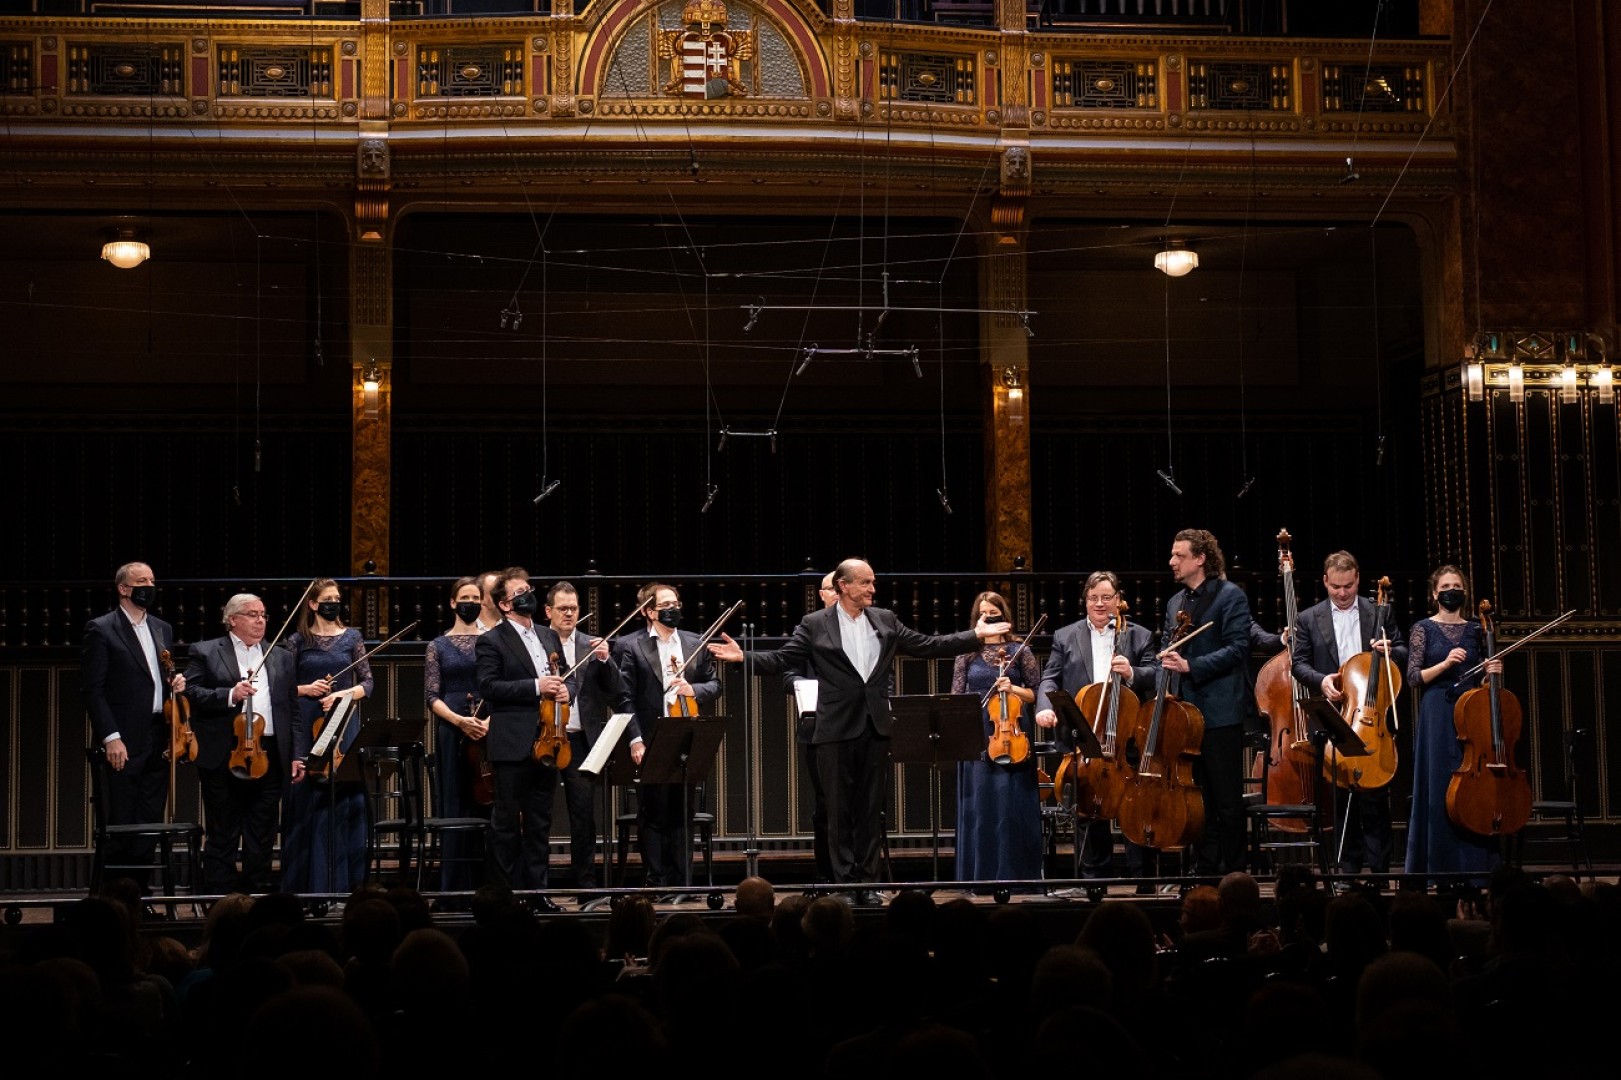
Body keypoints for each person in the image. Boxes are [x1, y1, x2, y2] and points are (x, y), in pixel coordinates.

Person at [709, 558, 1009, 904]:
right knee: (838, 812)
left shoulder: (885, 619)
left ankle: (868, 884)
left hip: (875, 726)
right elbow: (782, 659)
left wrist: (975, 635)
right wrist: (743, 657)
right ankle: (845, 885)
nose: (872, 589)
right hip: (834, 728)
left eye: (872, 582)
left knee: (869, 811)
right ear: (844, 586)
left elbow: (928, 645)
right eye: (865, 582)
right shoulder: (815, 624)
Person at [1033, 571, 1158, 888]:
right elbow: (1050, 678)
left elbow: (1156, 674)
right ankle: (1094, 882)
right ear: (1085, 600)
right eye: (1093, 598)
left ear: (1118, 600)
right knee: (1089, 809)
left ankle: (1143, 881)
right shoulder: (1065, 636)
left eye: (1106, 597)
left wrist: (1132, 672)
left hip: (1127, 735)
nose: (1100, 603)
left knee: (1134, 808)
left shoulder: (1139, 635)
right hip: (1084, 734)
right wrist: (1045, 706)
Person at [1289, 550, 1407, 881]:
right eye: (1336, 587)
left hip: (1371, 715)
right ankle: (1348, 872)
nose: (1342, 593)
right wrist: (1321, 681)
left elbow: (1402, 649)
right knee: (1340, 798)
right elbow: (1299, 664)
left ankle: (1380, 873)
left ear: (1358, 580)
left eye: (1349, 586)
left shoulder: (1378, 611)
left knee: (1375, 799)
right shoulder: (1309, 618)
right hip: (1334, 715)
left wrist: (1389, 651)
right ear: (1325, 581)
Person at [611, 581, 721, 894]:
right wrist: (635, 739)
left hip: (688, 737)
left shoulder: (694, 642)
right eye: (666, 605)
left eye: (676, 604)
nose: (674, 609)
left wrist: (692, 689)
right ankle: (656, 880)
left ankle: (683, 882)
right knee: (654, 811)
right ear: (648, 611)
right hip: (651, 737)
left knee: (683, 812)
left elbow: (715, 685)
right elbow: (624, 698)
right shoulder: (629, 646)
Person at [183, 593, 297, 892]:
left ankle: (256, 892)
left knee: (262, 830)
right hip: (223, 753)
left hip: (269, 754)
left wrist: (297, 754)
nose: (260, 621)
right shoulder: (206, 651)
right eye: (252, 614)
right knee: (223, 830)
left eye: (263, 615)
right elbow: (190, 692)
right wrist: (229, 695)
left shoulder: (281, 656)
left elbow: (291, 709)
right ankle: (220, 898)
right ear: (232, 619)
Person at [81, 561, 185, 878]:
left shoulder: (162, 628)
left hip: (158, 735)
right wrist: (111, 737)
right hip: (124, 739)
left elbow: (159, 676)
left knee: (149, 818)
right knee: (122, 819)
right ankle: (117, 893)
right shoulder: (102, 628)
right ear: (124, 589)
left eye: (152, 581)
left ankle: (141, 891)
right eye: (142, 581)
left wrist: (175, 682)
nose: (149, 587)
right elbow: (93, 689)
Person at [1160, 529, 1254, 876]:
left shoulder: (1229, 596)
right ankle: (1206, 871)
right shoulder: (1175, 603)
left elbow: (1237, 648)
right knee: (1198, 799)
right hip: (1184, 715)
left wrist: (1191, 665)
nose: (1172, 561)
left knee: (1226, 800)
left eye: (1179, 555)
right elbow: (1168, 648)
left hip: (1219, 712)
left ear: (1200, 559)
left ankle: (1236, 873)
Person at [1403, 565, 1502, 881]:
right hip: (1437, 711)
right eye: (1445, 586)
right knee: (1439, 785)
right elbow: (1413, 677)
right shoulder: (1423, 628)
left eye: (1456, 586)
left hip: (1471, 712)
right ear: (1435, 593)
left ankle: (1474, 866)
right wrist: (1445, 664)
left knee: (1472, 787)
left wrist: (1491, 673)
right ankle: (1439, 866)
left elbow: (1483, 678)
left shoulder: (1476, 629)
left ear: (1465, 591)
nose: (1451, 591)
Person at [474, 567, 565, 910]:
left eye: (529, 589)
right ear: (504, 605)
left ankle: (538, 894)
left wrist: (565, 691)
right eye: (519, 593)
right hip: (512, 743)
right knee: (507, 824)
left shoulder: (548, 635)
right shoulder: (491, 640)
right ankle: (504, 899)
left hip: (549, 739)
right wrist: (536, 686)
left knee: (540, 823)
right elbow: (489, 687)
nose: (528, 595)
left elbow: (562, 677)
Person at [280, 578, 372, 895]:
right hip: (308, 722)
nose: (334, 603)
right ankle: (310, 886)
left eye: (337, 598)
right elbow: (282, 688)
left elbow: (368, 684)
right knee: (311, 799)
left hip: (343, 720)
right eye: (328, 599)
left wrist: (341, 694)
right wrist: (306, 689)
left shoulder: (352, 638)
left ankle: (346, 885)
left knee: (345, 797)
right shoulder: (297, 640)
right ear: (313, 604)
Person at [952, 590, 1043, 886]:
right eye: (983, 614)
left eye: (994, 613)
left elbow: (1035, 693)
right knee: (981, 807)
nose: (989, 618)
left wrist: (1012, 689)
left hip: (1012, 733)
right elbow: (957, 698)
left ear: (1004, 616)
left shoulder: (1020, 651)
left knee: (1010, 806)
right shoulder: (966, 654)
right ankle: (980, 875)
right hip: (979, 734)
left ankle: (1017, 875)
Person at [536, 580, 620, 893]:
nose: (569, 614)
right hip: (542, 738)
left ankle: (585, 887)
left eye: (573, 608)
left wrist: (605, 660)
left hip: (581, 740)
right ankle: (538, 888)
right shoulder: (536, 641)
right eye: (562, 609)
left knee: (583, 816)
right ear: (548, 611)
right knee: (539, 815)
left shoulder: (590, 645)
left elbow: (616, 690)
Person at [425, 576, 492, 890]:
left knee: (488, 802)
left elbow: (498, 686)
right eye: (465, 598)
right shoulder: (437, 646)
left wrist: (488, 722)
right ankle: (454, 888)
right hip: (452, 731)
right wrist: (459, 721)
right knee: (454, 802)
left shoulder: (492, 641)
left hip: (487, 730)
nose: (471, 603)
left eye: (476, 598)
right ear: (453, 603)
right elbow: (431, 696)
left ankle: (487, 886)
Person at [785, 571, 839, 882]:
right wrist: (808, 687)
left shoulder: (867, 626)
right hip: (818, 727)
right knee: (826, 804)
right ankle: (829, 874)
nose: (837, 594)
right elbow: (788, 672)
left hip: (858, 727)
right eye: (831, 588)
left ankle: (862, 877)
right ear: (822, 594)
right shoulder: (809, 627)